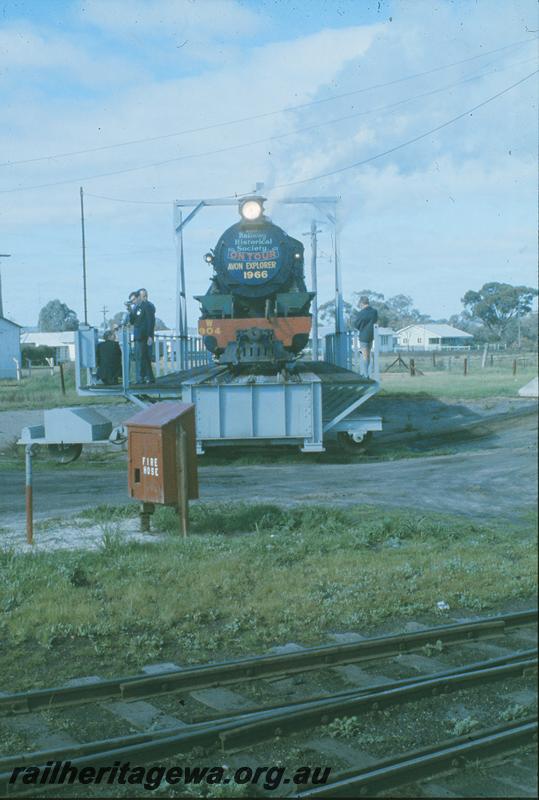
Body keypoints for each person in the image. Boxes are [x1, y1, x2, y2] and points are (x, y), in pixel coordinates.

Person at [130, 290, 154, 384]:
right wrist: (130, 311)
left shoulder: (146, 306)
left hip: (143, 336)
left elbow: (150, 321)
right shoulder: (136, 308)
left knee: (143, 357)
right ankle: (145, 377)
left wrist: (149, 336)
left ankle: (142, 377)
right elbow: (132, 321)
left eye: (134, 299)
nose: (133, 302)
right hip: (138, 336)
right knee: (141, 357)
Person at [354, 295, 378, 377]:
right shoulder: (374, 312)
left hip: (363, 336)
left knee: (365, 355)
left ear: (361, 303)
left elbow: (356, 325)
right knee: (368, 354)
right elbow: (375, 321)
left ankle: (365, 374)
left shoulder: (361, 313)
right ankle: (366, 372)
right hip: (371, 335)